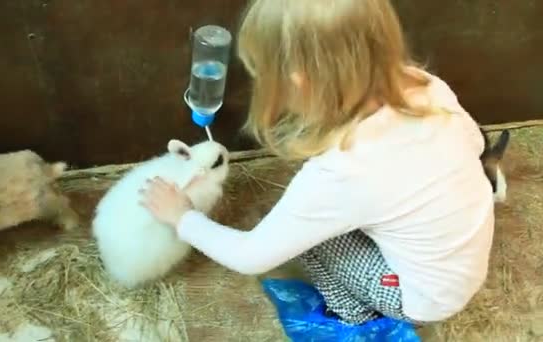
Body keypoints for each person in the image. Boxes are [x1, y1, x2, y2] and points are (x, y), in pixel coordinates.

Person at [140, 0, 494, 326]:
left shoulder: (343, 172)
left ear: (300, 82)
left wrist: (181, 217)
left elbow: (250, 256)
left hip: (423, 298)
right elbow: (476, 145)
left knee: (310, 238)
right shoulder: (429, 88)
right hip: (464, 266)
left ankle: (352, 312)